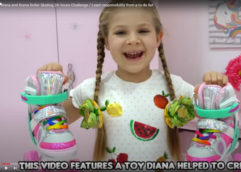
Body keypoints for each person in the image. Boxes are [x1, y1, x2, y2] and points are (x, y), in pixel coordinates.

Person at [37, 0, 228, 162]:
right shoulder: (92, 88)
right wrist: (48, 90)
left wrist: (214, 86)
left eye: (143, 30)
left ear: (158, 37)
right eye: (121, 33)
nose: (133, 40)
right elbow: (53, 120)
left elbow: (212, 114)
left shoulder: (176, 86)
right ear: (107, 42)